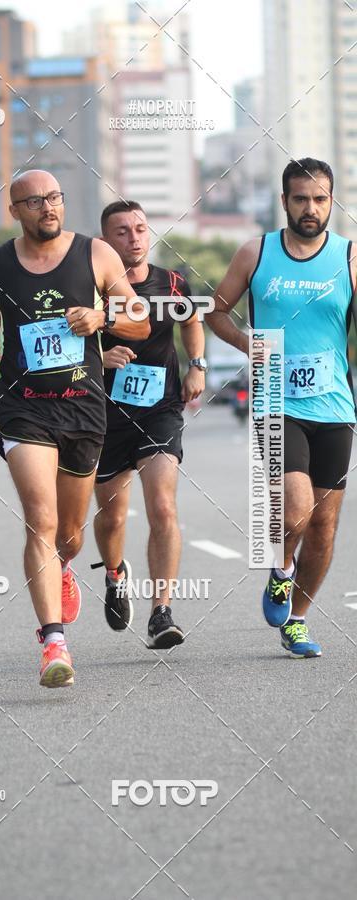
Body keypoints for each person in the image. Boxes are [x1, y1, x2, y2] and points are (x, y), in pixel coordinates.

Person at [0, 170, 149, 687]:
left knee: (69, 537)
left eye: (54, 198)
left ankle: (68, 566)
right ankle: (53, 642)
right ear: (16, 211)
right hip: (24, 406)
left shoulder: (97, 255)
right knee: (40, 519)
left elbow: (139, 320)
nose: (47, 208)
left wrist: (101, 319)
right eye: (34, 202)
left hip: (82, 408)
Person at [208, 157, 356, 658]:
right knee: (295, 512)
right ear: (284, 202)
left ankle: (297, 618)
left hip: (335, 405)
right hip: (275, 398)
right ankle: (281, 569)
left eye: (319, 199)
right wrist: (248, 342)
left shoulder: (349, 256)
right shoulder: (257, 253)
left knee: (324, 527)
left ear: (331, 201)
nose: (310, 209)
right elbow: (216, 312)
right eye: (300, 199)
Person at [92, 200, 206, 648]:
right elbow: (65, 340)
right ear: (105, 241)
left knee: (162, 506)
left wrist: (197, 364)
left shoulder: (172, 282)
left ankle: (162, 612)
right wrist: (100, 357)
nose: (134, 237)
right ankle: (116, 576)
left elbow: (192, 320)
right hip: (103, 414)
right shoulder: (89, 287)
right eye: (122, 231)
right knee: (112, 515)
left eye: (140, 228)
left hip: (160, 409)